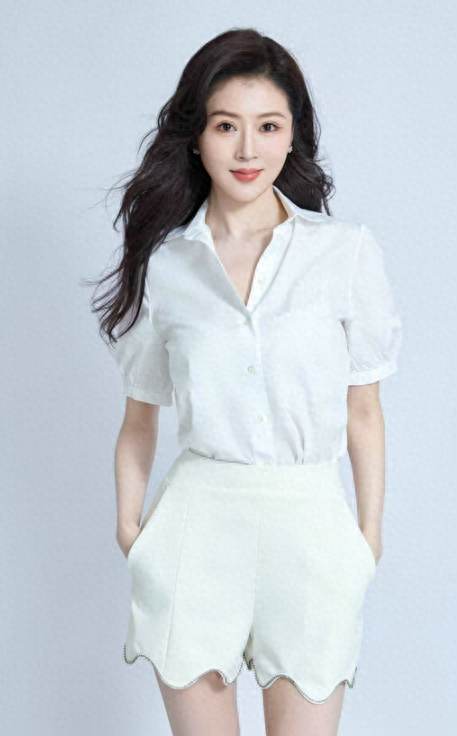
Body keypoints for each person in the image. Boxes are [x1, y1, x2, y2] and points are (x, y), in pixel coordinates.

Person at [91, 27, 403, 736]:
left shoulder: (344, 252)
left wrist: (366, 539)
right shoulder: (167, 265)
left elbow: (364, 410)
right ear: (196, 137)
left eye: (268, 126)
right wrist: (131, 531)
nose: (246, 150)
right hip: (196, 528)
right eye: (225, 126)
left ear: (293, 135)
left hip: (311, 526)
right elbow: (139, 417)